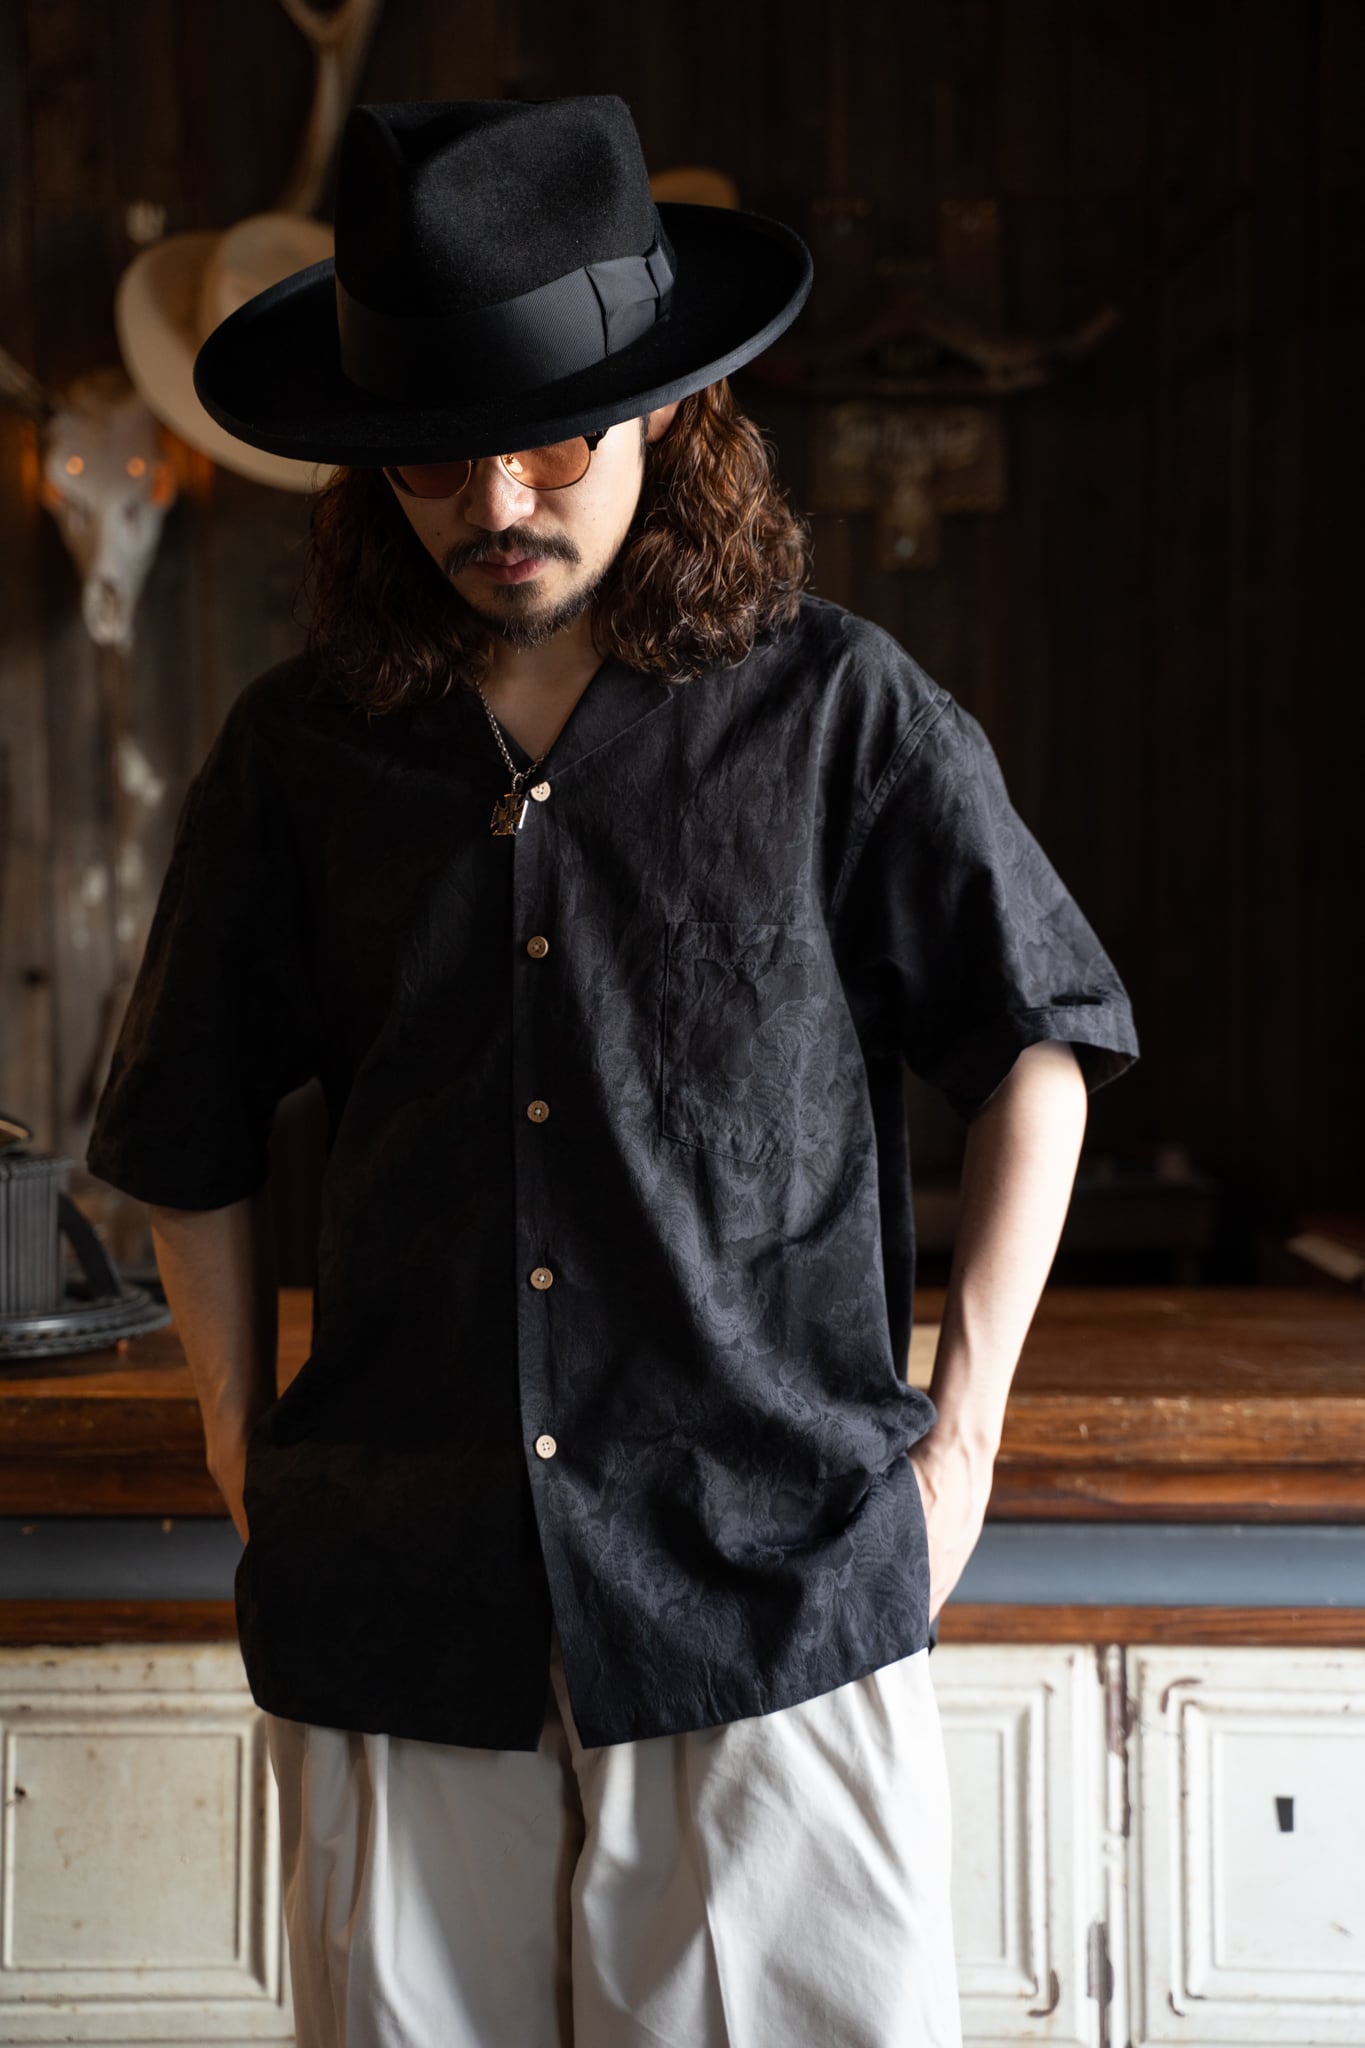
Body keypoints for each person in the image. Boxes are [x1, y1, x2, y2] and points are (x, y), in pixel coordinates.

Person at [86, 94, 1139, 2048]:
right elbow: (187, 1122)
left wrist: (964, 1435)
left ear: (669, 411)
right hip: (399, 1601)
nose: (495, 501)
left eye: (554, 440)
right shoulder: (299, 754)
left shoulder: (835, 710)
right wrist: (240, 1447)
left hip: (770, 1595)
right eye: (434, 457)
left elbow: (1036, 1040)